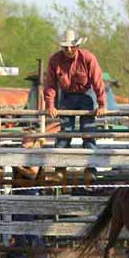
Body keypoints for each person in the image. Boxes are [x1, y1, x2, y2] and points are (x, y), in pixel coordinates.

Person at [45, 29, 106, 182]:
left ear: (77, 46)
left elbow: (97, 81)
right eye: (66, 47)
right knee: (66, 132)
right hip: (66, 97)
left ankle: (90, 170)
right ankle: (60, 170)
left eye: (72, 47)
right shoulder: (55, 60)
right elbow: (50, 84)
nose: (69, 50)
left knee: (88, 132)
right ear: (62, 48)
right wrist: (50, 104)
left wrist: (102, 104)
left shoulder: (88, 58)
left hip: (86, 95)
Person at [8, 131, 46, 258]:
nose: (23, 140)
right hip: (23, 191)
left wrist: (17, 167)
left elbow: (32, 174)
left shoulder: (34, 154)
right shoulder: (27, 153)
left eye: (27, 138)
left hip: (28, 191)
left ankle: (27, 257)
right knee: (24, 226)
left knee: (25, 226)